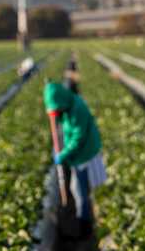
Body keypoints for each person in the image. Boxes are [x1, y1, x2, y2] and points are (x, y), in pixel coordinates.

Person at [44, 82, 107, 238]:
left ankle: (84, 226)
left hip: (85, 152)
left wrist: (63, 155)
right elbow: (64, 126)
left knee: (80, 191)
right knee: (76, 188)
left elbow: (78, 138)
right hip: (79, 153)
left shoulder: (77, 109)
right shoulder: (68, 106)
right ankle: (81, 217)